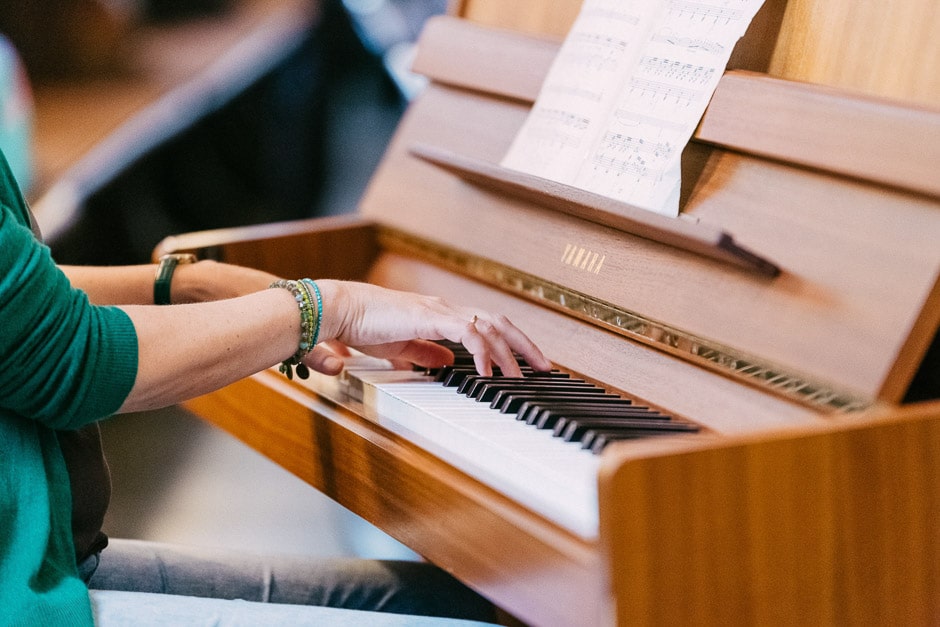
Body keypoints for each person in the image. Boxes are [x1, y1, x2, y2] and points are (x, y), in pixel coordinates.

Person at [0, 146, 552, 626]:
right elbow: (68, 360)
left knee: (478, 609)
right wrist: (332, 307)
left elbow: (23, 302)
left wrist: (189, 284)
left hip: (42, 557)